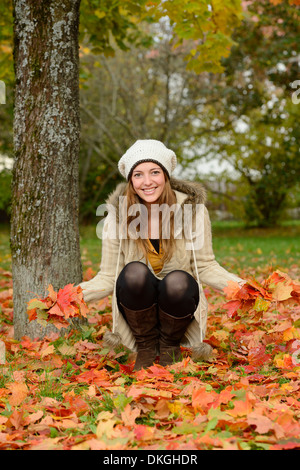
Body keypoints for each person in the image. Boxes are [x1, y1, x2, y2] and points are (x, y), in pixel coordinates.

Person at [79, 139, 245, 370]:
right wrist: (71, 297)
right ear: (130, 180)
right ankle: (146, 347)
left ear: (166, 175)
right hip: (137, 314)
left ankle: (170, 346)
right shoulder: (116, 218)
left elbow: (205, 266)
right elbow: (108, 277)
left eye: (154, 172)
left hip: (178, 306)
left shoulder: (192, 211)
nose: (147, 182)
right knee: (133, 273)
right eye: (138, 174)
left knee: (178, 279)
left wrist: (242, 288)